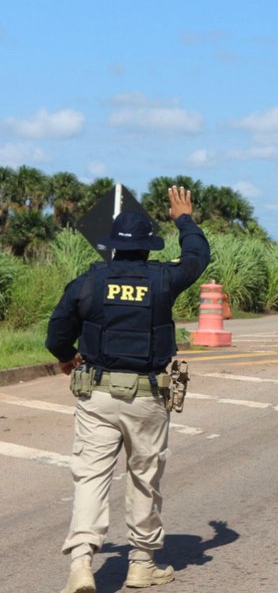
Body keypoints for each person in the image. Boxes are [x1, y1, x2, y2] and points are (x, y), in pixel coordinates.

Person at [46, 185, 210, 593]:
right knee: (144, 477)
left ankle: (81, 565)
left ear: (114, 245)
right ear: (148, 247)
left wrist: (66, 356)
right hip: (147, 397)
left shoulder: (90, 280)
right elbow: (197, 258)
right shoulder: (164, 279)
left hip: (97, 395)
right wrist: (184, 220)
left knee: (90, 478)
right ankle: (141, 564)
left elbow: (58, 330)